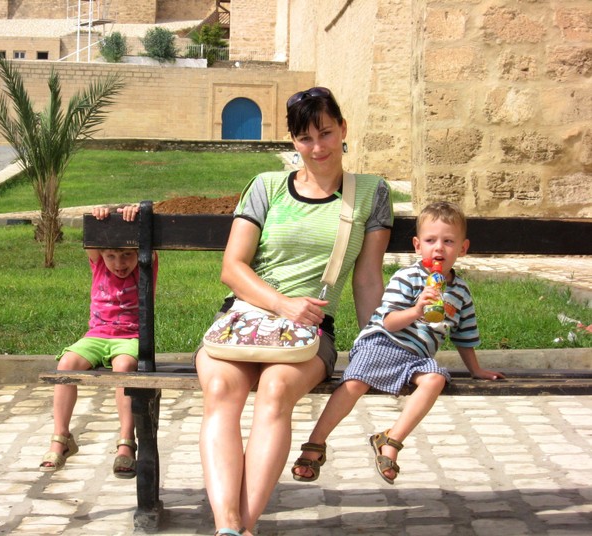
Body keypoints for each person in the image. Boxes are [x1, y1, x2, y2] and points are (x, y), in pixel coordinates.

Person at [195, 87, 393, 536]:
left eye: (326, 133)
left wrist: (377, 344)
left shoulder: (371, 193)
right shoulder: (265, 186)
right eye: (305, 138)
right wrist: (283, 304)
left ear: (343, 128)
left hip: (311, 334)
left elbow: (367, 279)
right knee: (221, 389)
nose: (317, 147)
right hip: (244, 321)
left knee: (276, 389)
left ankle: (243, 527)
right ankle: (228, 527)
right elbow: (232, 267)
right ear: (293, 141)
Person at [291, 201, 505, 485]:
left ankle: (391, 440)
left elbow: (464, 336)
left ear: (463, 248)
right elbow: (389, 322)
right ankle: (315, 444)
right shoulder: (408, 277)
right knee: (355, 382)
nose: (439, 248)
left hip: (417, 357)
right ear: (417, 245)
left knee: (436, 379)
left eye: (448, 241)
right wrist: (417, 310)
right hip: (381, 343)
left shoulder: (461, 292)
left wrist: (476, 370)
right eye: (430, 240)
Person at [39, 204, 158, 479]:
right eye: (111, 256)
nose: (119, 263)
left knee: (124, 367)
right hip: (97, 335)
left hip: (130, 337)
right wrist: (101, 215)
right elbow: (92, 236)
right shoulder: (98, 265)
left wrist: (136, 215)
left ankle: (126, 442)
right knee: (66, 363)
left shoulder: (145, 267)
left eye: (127, 255)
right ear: (102, 256)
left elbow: (150, 243)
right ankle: (61, 437)